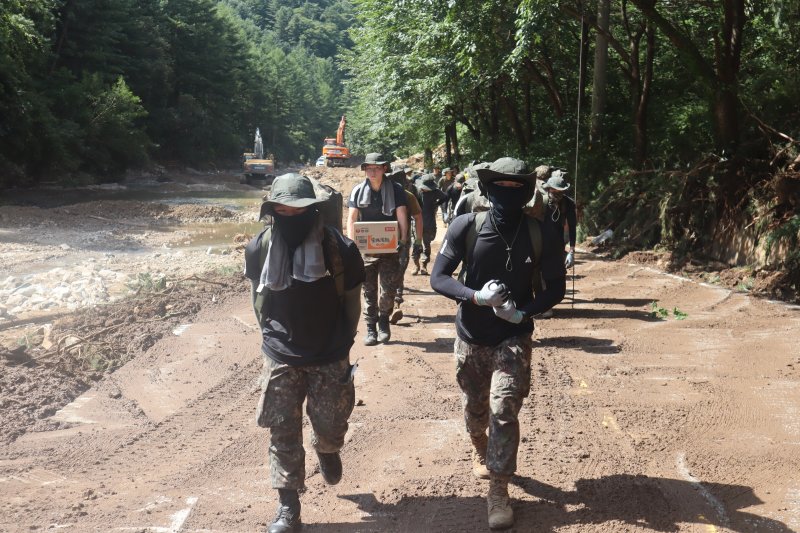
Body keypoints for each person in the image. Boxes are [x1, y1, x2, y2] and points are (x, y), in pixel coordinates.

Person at [430, 157, 565, 530]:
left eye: (515, 187)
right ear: (488, 189)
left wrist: (521, 314)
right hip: (471, 335)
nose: (507, 193)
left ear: (526, 192)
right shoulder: (465, 226)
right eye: (500, 186)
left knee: (503, 408)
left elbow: (556, 287)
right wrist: (475, 297)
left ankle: (498, 489)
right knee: (476, 410)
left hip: (513, 335)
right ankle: (478, 443)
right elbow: (439, 277)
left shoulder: (542, 233)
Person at [245, 173, 366, 533]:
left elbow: (352, 303)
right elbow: (258, 299)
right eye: (282, 211)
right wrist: (272, 339)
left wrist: (342, 343)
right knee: (281, 431)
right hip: (281, 353)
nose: (289, 216)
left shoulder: (341, 250)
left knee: (331, 426)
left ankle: (327, 449)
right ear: (272, 212)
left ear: (313, 210)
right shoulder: (259, 248)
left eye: (297, 210)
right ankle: (288, 507)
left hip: (329, 352)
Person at [347, 153, 409, 345]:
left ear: (384, 169)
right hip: (366, 250)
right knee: (369, 290)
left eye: (376, 168)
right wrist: (352, 245)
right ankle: (370, 328)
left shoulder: (396, 190)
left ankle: (384, 321)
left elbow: (401, 215)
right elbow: (351, 219)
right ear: (365, 170)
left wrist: (403, 239)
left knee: (388, 289)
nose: (372, 172)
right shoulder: (358, 191)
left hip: (390, 249)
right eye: (369, 168)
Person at [537, 170, 577, 318]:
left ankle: (550, 301)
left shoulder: (568, 204)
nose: (557, 195)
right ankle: (543, 306)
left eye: (560, 192)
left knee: (556, 277)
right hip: (539, 244)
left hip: (557, 246)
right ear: (548, 189)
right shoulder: (540, 202)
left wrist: (572, 251)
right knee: (539, 276)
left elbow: (572, 227)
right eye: (554, 191)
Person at [388, 168, 424, 324]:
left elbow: (418, 217)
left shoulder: (408, 196)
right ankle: (388, 306)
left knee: (399, 270)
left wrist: (418, 241)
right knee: (387, 273)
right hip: (383, 243)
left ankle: (395, 304)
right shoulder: (379, 194)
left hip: (403, 242)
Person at [412, 174, 447, 275]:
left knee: (426, 245)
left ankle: (424, 265)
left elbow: (445, 197)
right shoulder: (416, 191)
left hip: (429, 223)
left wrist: (436, 204)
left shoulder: (435, 192)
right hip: (417, 223)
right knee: (416, 244)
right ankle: (416, 265)